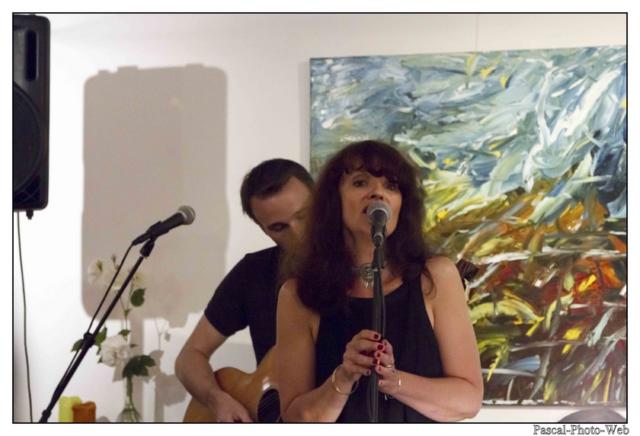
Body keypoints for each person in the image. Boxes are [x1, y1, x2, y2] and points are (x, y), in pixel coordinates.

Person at [276, 140, 483, 422]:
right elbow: (295, 419)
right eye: (360, 182)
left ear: (402, 205)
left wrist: (393, 380)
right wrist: (344, 377)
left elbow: (467, 401)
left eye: (391, 186)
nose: (377, 192)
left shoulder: (436, 277)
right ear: (334, 201)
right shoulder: (298, 294)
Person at [175, 158, 314, 422]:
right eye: (279, 227)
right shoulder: (254, 272)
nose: (298, 233)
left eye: (303, 216)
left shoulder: (363, 272)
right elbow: (189, 357)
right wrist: (216, 399)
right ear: (263, 229)